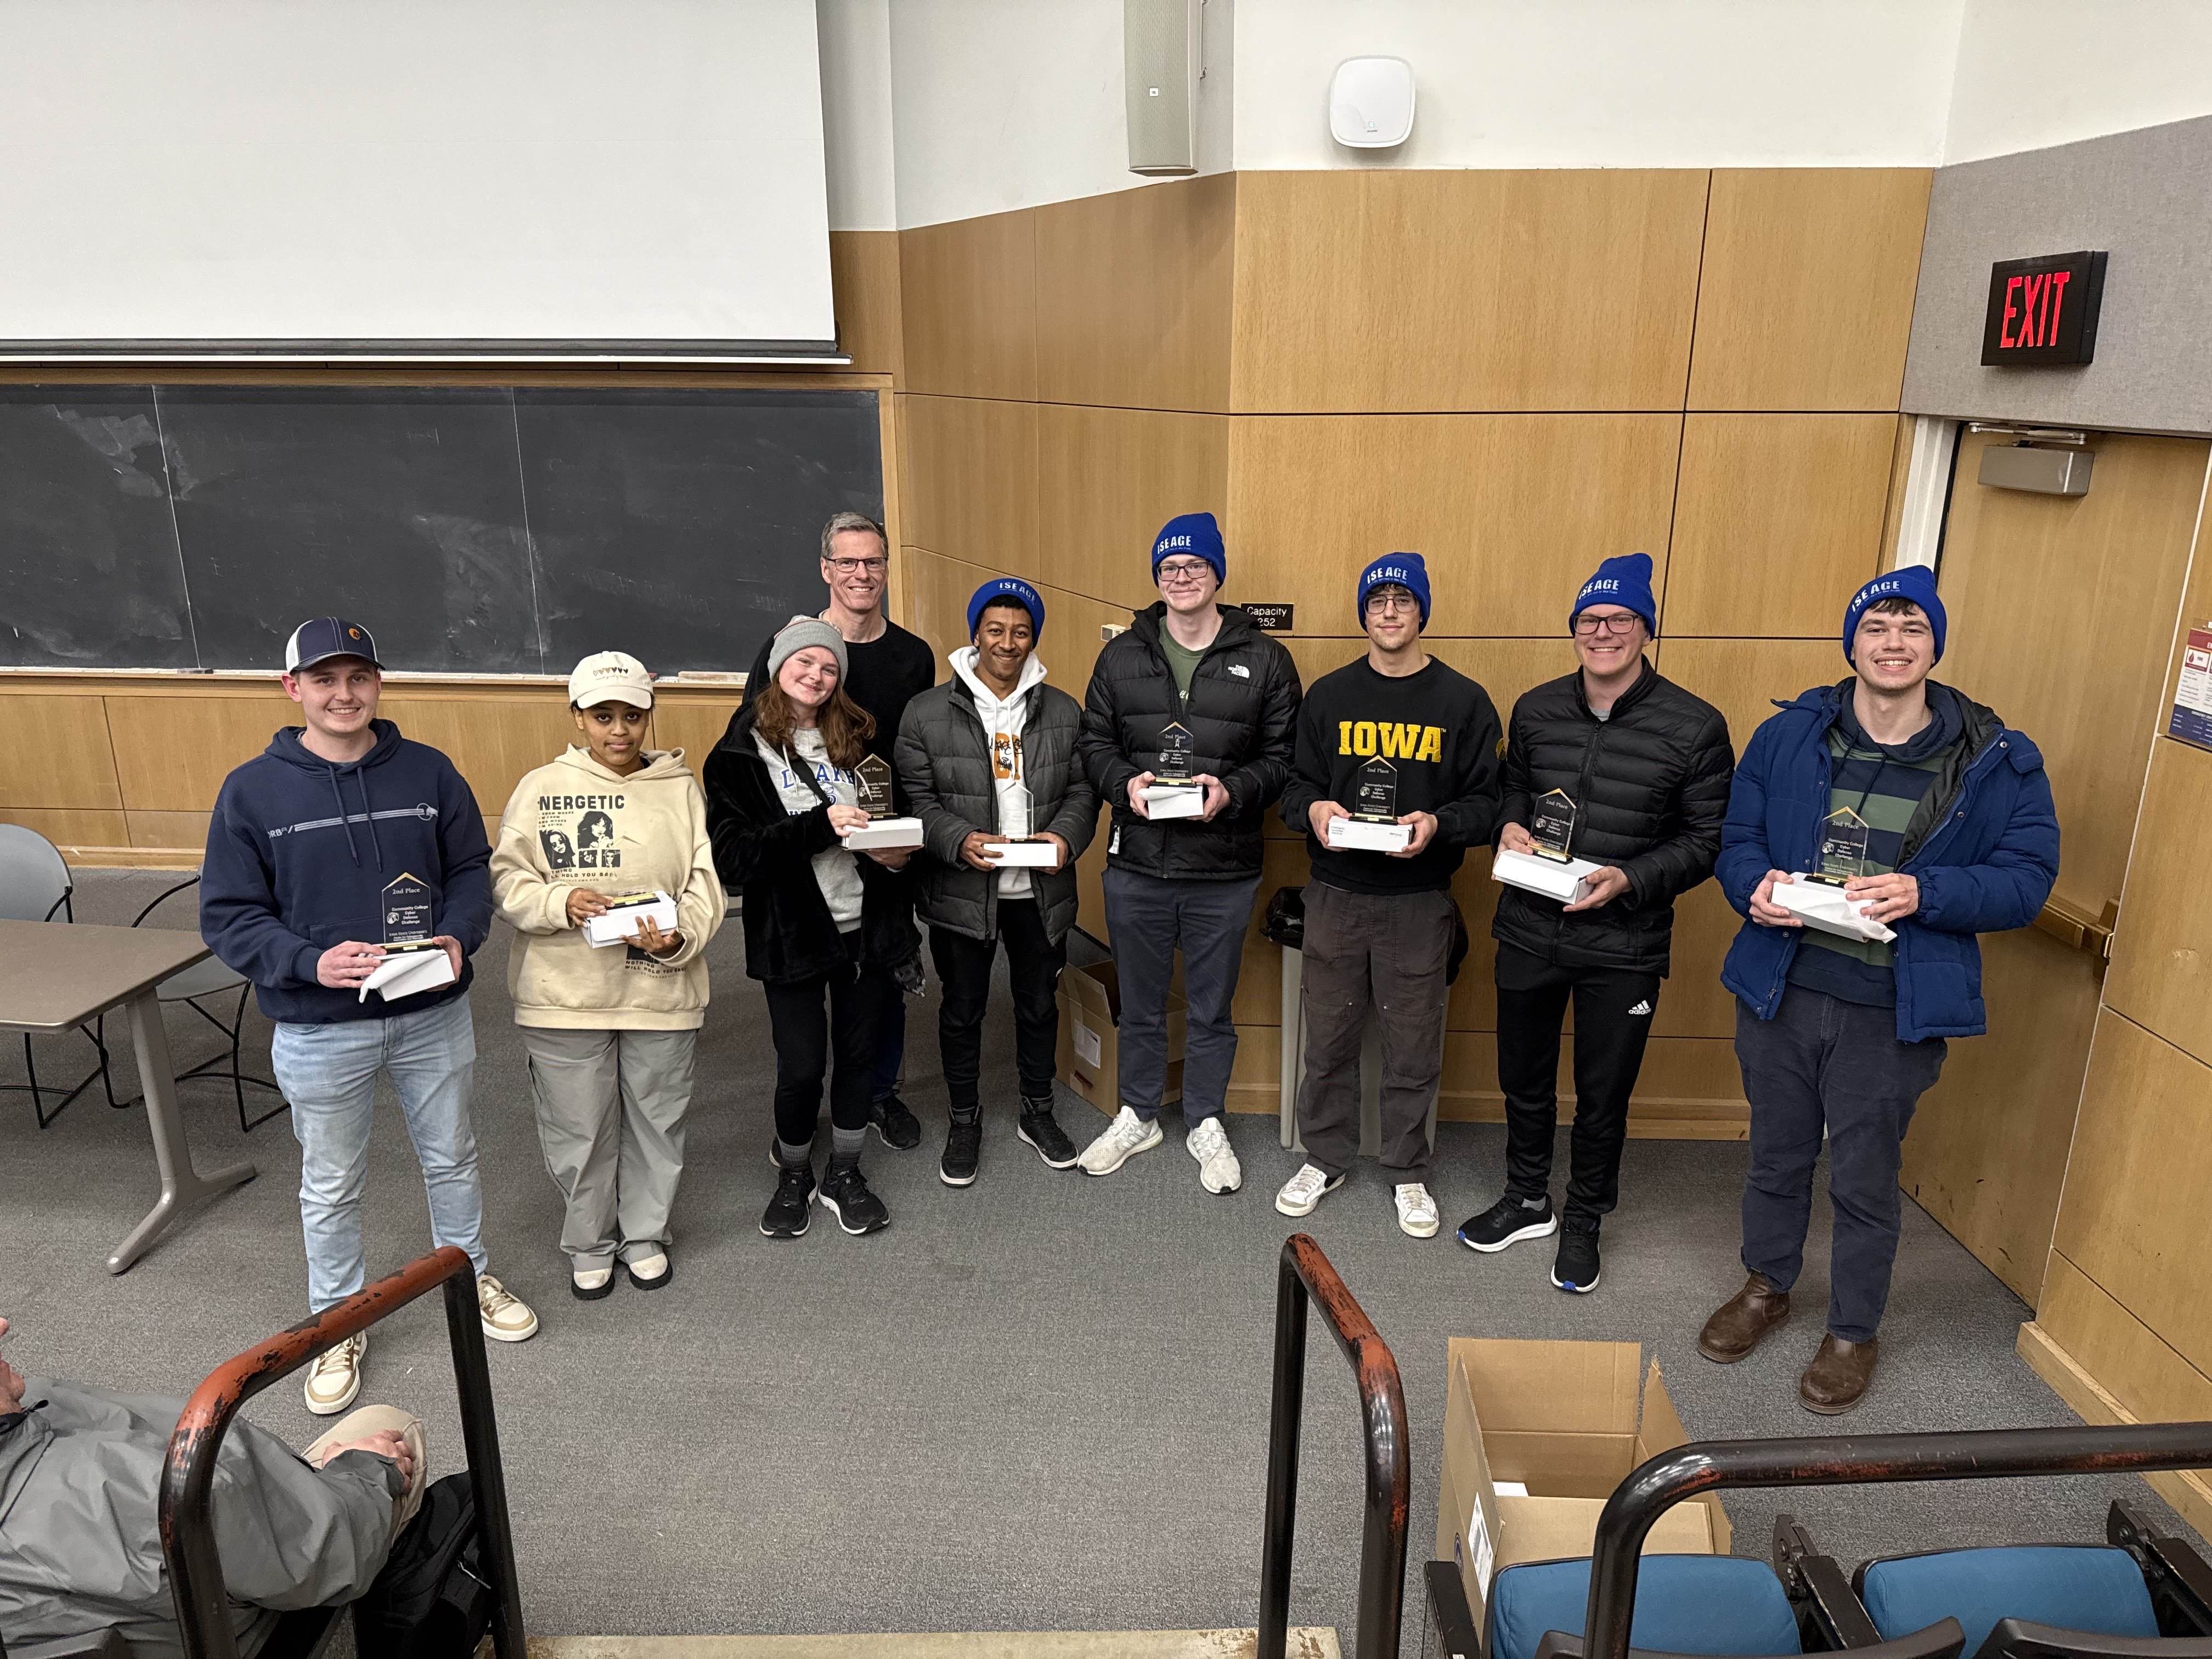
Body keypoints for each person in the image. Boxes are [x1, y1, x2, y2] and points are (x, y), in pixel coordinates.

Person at [1698, 565, 2057, 1413]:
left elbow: (2027, 881)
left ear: (1934, 646)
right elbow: (1737, 839)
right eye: (1877, 627)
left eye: (1912, 628)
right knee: (1776, 1157)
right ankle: (1767, 1285)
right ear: (1852, 644)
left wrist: (1926, 892)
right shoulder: (1787, 737)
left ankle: (1853, 1330)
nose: (1894, 643)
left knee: (1863, 1178)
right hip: (1782, 988)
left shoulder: (1997, 762)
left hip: (1889, 1012)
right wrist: (1750, 885)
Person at [200, 618, 539, 1419]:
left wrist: (458, 936)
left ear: (378, 684)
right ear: (293, 689)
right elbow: (229, 915)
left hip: (431, 1013)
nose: (344, 695)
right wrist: (307, 961)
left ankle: (467, 1273)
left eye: (358, 678)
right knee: (330, 1182)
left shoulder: (429, 772)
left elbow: (470, 870)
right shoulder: (251, 791)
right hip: (320, 1025)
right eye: (324, 680)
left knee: (452, 1156)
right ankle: (337, 1322)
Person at [1457, 554, 1734, 1294]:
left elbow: (1708, 839)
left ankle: (1583, 1219)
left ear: (1647, 630)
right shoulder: (1536, 708)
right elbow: (1513, 789)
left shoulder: (1695, 726)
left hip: (1625, 942)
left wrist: (1630, 880)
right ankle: (1527, 1200)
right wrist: (1509, 826)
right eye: (1589, 620)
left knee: (1602, 1095)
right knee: (1524, 1079)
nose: (1603, 632)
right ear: (1574, 629)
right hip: (1529, 926)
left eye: (1620, 619)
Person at [1274, 554, 1502, 1237]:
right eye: (1378, 601)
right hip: (1336, 896)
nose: (1390, 612)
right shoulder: (1329, 696)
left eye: (1404, 599)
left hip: (1418, 900)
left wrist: (1437, 825)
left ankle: (1407, 1170)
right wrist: (1315, 810)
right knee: (1328, 1041)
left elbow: (1488, 805)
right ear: (1364, 615)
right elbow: (1293, 787)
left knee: (1412, 1047)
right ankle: (1325, 1158)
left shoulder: (1463, 702)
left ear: (1422, 611)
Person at [1075, 511, 1301, 1193]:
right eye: (1169, 567)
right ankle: (1140, 1113)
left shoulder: (1266, 659)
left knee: (1210, 1009)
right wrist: (1125, 783)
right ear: (1157, 578)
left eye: (1194, 565)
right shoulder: (1122, 656)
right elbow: (1094, 744)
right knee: (1141, 1004)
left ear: (1216, 574)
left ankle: (1205, 1118)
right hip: (1137, 861)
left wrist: (1232, 792)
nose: (1181, 577)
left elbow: (1284, 759)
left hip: (1223, 868)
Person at [491, 652, 725, 1300]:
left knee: (657, 1117)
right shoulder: (540, 787)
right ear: (577, 717)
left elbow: (705, 884)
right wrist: (559, 902)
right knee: (580, 1128)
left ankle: (645, 1234)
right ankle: (590, 1241)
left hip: (660, 990)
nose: (619, 730)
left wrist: (678, 937)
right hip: (565, 994)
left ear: (649, 716)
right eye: (602, 716)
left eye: (632, 716)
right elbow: (508, 879)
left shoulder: (681, 789)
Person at [0, 1314, 426, 1658]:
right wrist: (364, 1469)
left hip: (150, 1614)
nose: (2, 1324)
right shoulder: (155, 1486)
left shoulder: (39, 1405)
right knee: (389, 1428)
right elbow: (327, 1556)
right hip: (252, 1631)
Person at [706, 619, 921, 1238]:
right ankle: (794, 1171)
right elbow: (734, 860)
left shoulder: (861, 740)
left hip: (866, 928)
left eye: (830, 668)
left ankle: (845, 1171)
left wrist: (895, 855)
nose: (817, 676)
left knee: (858, 1057)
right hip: (792, 934)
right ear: (778, 668)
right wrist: (820, 826)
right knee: (801, 1067)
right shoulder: (738, 754)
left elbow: (890, 819)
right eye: (804, 663)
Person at [735, 512, 936, 1152]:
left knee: (885, 971)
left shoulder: (913, 656)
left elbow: (915, 752)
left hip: (885, 843)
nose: (861, 574)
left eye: (873, 561)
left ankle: (878, 1094)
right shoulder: (789, 648)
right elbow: (752, 739)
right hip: (808, 849)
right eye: (847, 562)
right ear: (826, 569)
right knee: (806, 1001)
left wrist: (905, 839)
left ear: (887, 569)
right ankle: (804, 1106)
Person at [895, 578, 1099, 1187]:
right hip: (962, 889)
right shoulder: (926, 712)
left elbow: (1084, 790)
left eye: (1020, 632)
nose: (1007, 643)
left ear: (1034, 639)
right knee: (963, 1010)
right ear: (975, 635)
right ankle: (964, 1118)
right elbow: (916, 798)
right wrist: (957, 839)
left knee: (1039, 1005)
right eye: (995, 630)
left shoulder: (1063, 710)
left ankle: (1037, 1111)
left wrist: (1065, 840)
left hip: (1040, 892)